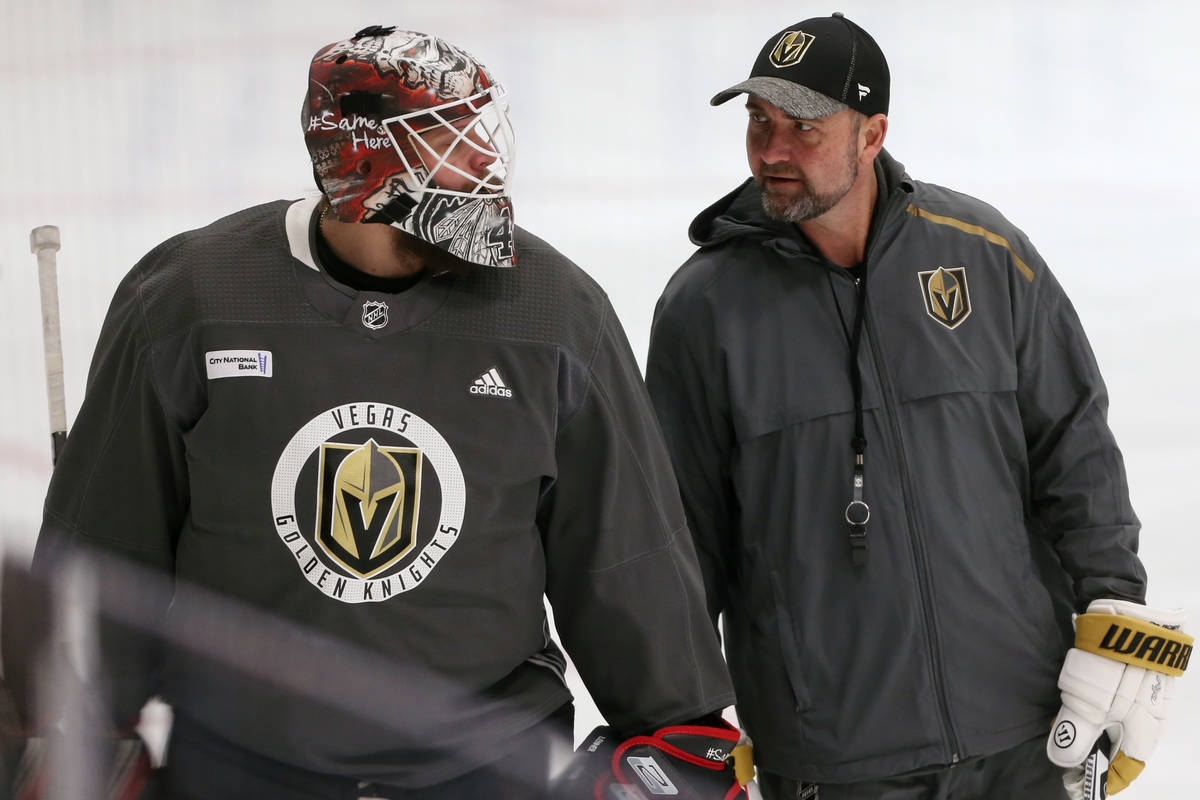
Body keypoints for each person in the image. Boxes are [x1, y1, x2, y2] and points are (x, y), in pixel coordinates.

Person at [5, 25, 737, 800]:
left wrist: (676, 725)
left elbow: (623, 548)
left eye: (484, 138)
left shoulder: (554, 313)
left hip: (485, 765)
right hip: (242, 765)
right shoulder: (193, 299)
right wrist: (79, 720)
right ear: (363, 159)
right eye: (453, 143)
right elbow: (111, 535)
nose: (484, 167)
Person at [645, 12, 1190, 800]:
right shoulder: (706, 307)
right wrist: (680, 709)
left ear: (872, 135)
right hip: (833, 751)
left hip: (1025, 732)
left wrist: (1114, 611)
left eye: (803, 127)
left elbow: (1072, 443)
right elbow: (681, 534)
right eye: (759, 123)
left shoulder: (981, 252)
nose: (772, 151)